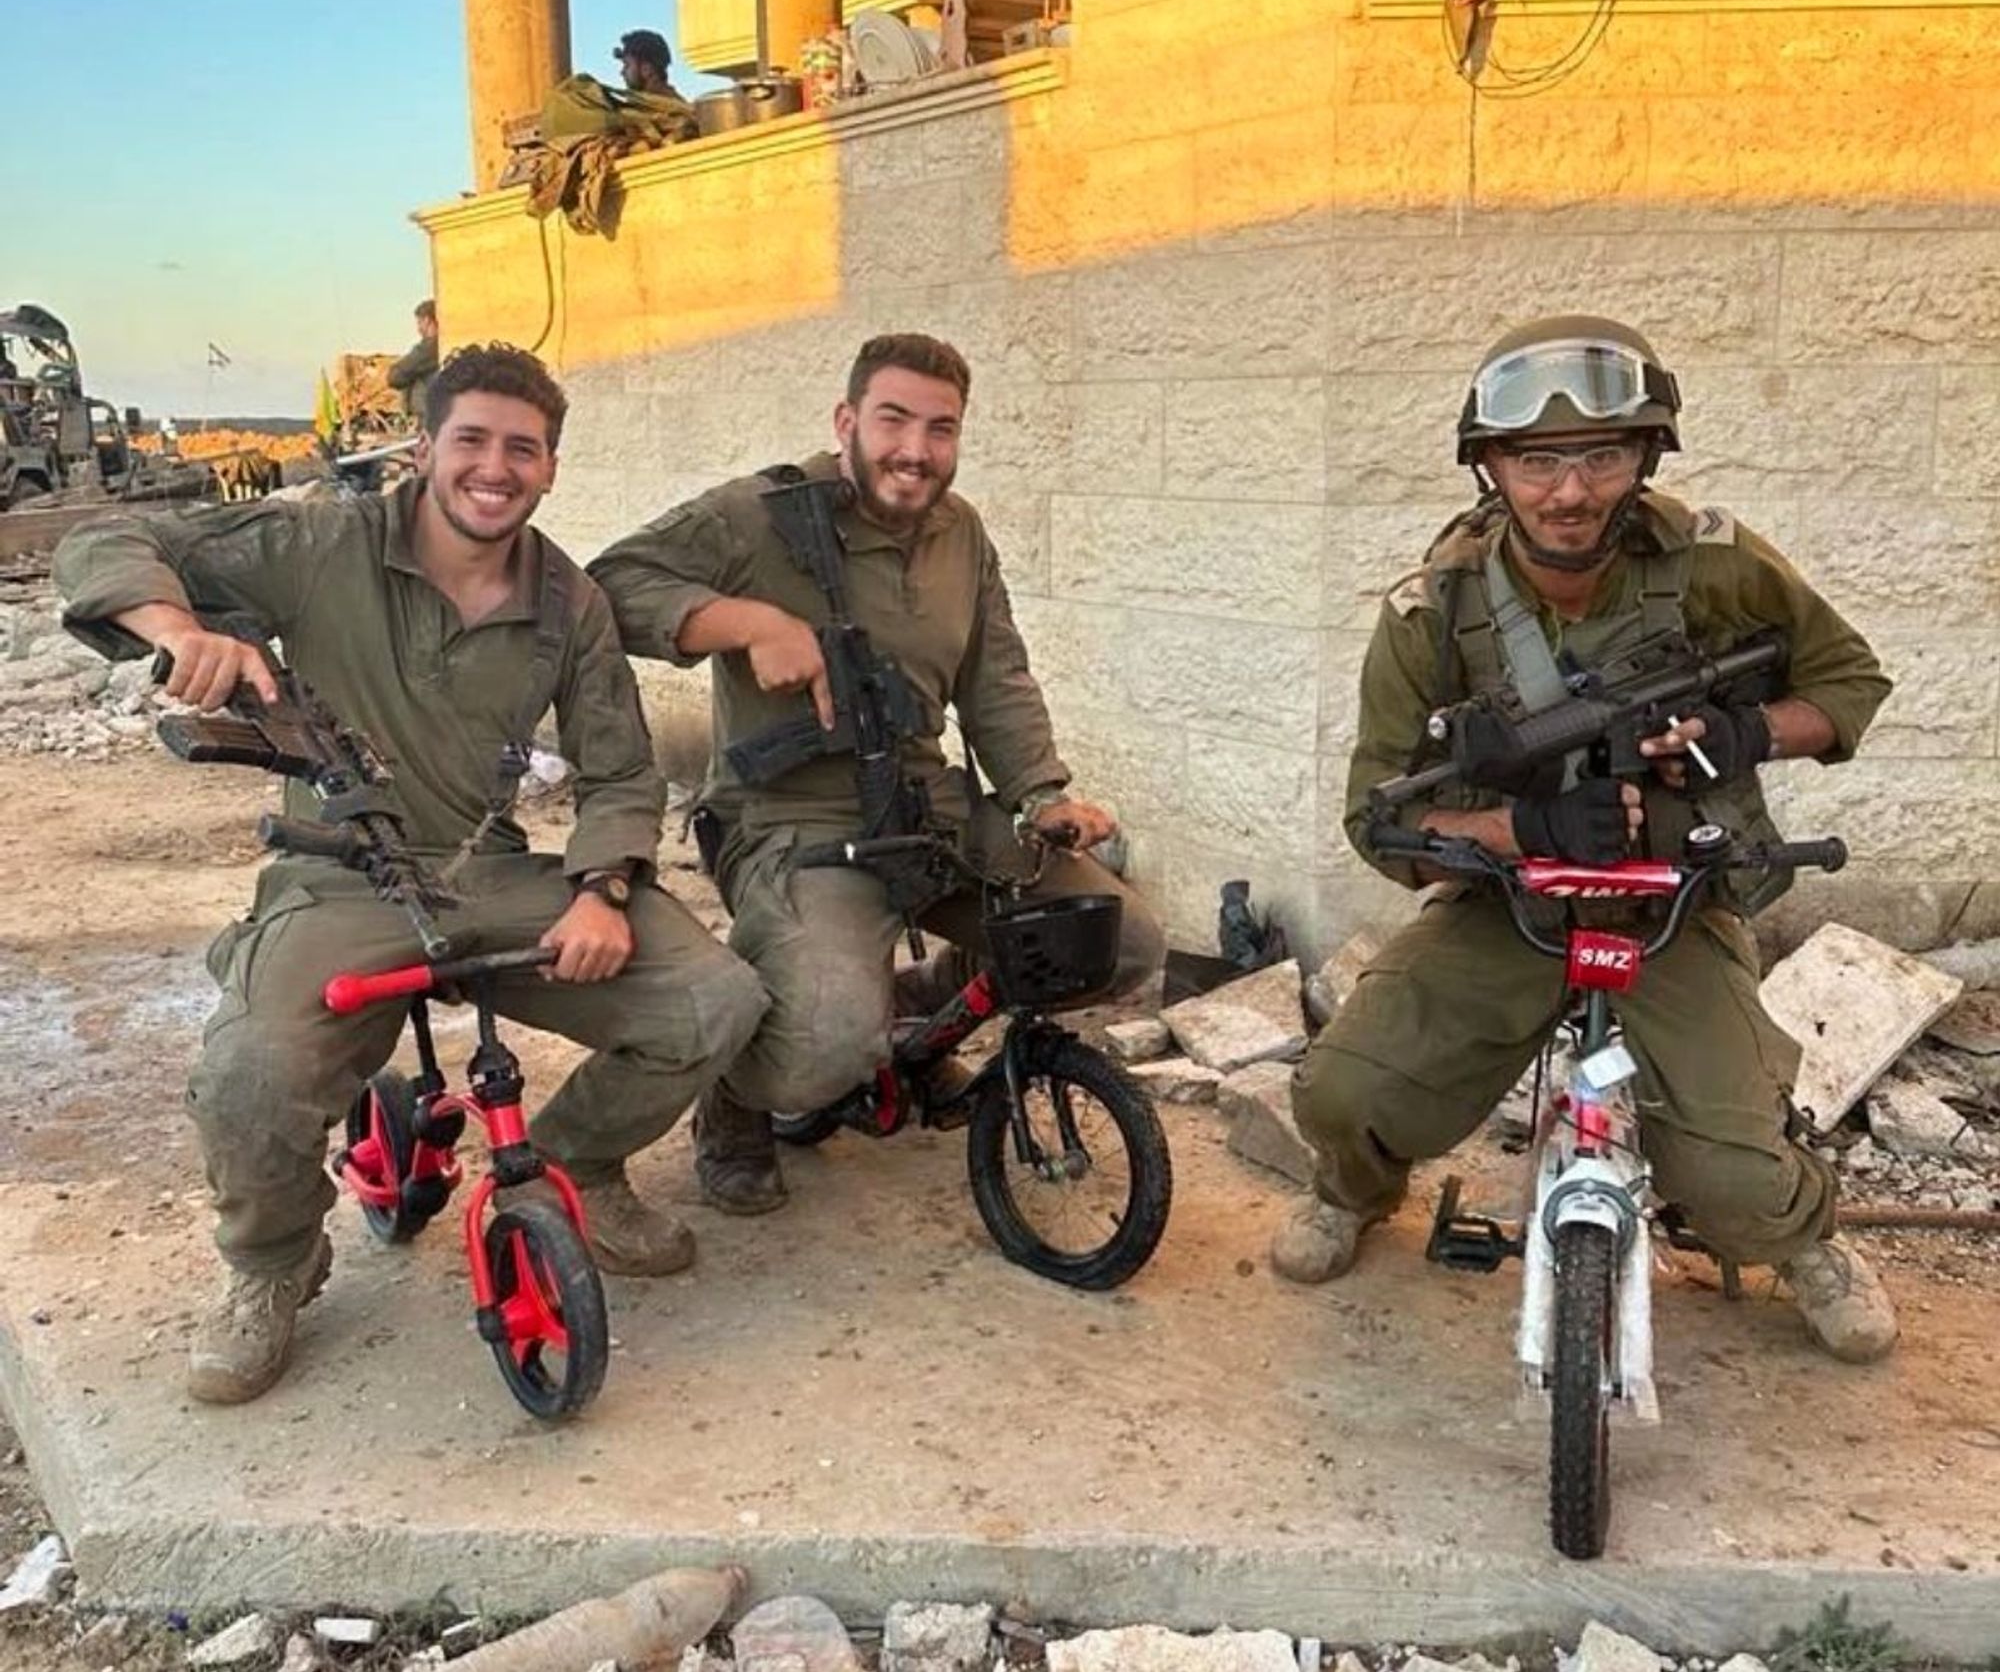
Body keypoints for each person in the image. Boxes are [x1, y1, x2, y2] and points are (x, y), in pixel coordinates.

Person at [53, 342, 767, 1405]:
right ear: (424, 444)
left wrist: (602, 886)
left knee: (717, 998)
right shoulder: (318, 538)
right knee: (250, 1072)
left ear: (550, 466)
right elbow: (108, 534)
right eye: (470, 438)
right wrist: (178, 627)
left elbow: (619, 769)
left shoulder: (569, 601)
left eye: (521, 448)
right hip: (338, 876)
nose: (495, 466)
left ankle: (574, 1164)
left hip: (488, 869)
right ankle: (273, 1263)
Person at [1279, 315, 1900, 1364]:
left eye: (1600, 456)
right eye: (1535, 461)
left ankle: (1801, 1238)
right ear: (1489, 466)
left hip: (1670, 899)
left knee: (1740, 1183)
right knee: (1341, 1091)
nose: (1568, 493)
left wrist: (1743, 730)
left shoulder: (1714, 567)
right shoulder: (1429, 613)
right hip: (1505, 905)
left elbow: (1848, 682)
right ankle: (1351, 1190)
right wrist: (1517, 826)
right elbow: (1378, 818)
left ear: (1644, 454)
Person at [588, 332, 1166, 1215]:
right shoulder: (762, 514)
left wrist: (1042, 796)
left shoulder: (960, 532)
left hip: (925, 805)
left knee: (1118, 939)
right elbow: (611, 585)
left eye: (942, 428)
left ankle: (916, 1016)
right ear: (847, 419)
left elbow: (997, 677)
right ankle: (736, 1100)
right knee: (821, 1049)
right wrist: (744, 620)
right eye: (894, 419)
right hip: (794, 820)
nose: (916, 450)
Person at [386, 299, 440, 422]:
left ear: (427, 321)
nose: (418, 328)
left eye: (419, 322)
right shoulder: (440, 345)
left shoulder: (429, 348)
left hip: (430, 416)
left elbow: (394, 377)